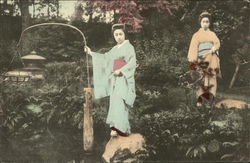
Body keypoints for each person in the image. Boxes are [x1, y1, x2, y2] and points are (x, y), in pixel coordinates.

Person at [84, 24, 137, 137]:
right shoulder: (114, 49)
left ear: (124, 34)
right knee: (114, 102)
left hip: (124, 78)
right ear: (113, 36)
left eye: (120, 34)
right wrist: (90, 53)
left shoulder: (129, 47)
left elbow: (132, 63)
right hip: (115, 79)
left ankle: (120, 129)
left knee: (120, 101)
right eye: (116, 35)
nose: (118, 37)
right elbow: (105, 58)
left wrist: (121, 70)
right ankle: (122, 128)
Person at [187, 11, 221, 107]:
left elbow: (217, 43)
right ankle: (200, 100)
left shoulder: (212, 34)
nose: (205, 23)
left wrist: (213, 48)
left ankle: (211, 100)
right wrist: (193, 63)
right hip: (202, 59)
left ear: (209, 23)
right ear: (200, 23)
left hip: (212, 59)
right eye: (203, 21)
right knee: (201, 78)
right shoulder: (196, 35)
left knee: (212, 77)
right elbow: (193, 49)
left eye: (207, 22)